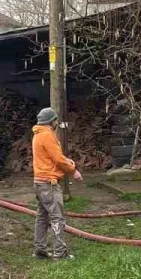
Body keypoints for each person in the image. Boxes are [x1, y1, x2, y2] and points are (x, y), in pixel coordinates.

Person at [31, 108, 81, 260]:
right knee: (57, 218)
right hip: (49, 183)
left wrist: (67, 161)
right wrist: (73, 170)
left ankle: (40, 250)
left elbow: (54, 156)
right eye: (55, 120)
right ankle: (60, 253)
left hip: (39, 181)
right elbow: (58, 159)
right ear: (51, 121)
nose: (56, 123)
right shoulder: (47, 135)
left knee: (42, 217)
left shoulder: (37, 135)